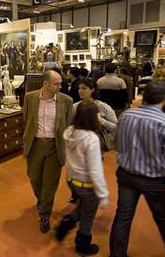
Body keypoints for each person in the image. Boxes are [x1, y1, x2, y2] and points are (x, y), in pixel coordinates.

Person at [109, 82, 165, 257]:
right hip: (154, 180)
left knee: (123, 216)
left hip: (126, 174)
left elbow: (116, 142)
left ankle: (117, 254)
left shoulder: (126, 116)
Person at [55, 101, 109, 255]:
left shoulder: (70, 131)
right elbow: (95, 170)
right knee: (88, 215)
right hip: (86, 184)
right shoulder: (91, 139)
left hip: (72, 180)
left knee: (84, 207)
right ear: (92, 117)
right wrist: (103, 194)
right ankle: (82, 245)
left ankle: (67, 222)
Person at [23, 70, 73, 233]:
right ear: (45, 84)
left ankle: (45, 213)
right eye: (56, 83)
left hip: (55, 146)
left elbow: (68, 124)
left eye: (60, 82)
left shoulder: (66, 101)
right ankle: (42, 201)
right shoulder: (30, 98)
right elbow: (27, 119)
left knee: (50, 182)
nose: (60, 86)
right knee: (34, 178)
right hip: (35, 144)